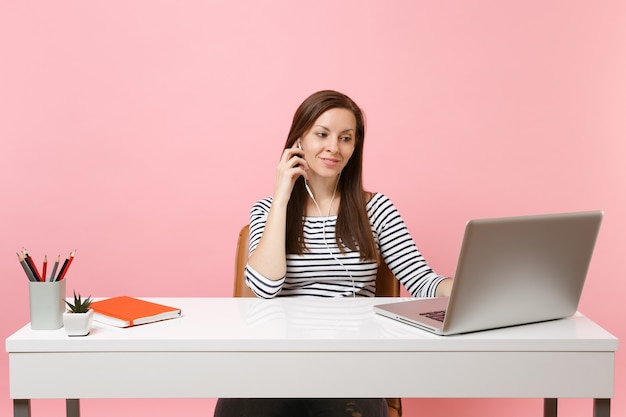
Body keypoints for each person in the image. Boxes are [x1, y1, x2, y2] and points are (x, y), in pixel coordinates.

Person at [214, 90, 452, 417]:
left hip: (350, 360)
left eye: (345, 138)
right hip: (278, 360)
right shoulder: (268, 210)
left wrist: (471, 288)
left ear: (355, 147)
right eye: (322, 134)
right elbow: (266, 288)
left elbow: (423, 281)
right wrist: (281, 197)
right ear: (298, 140)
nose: (334, 147)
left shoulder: (376, 210)